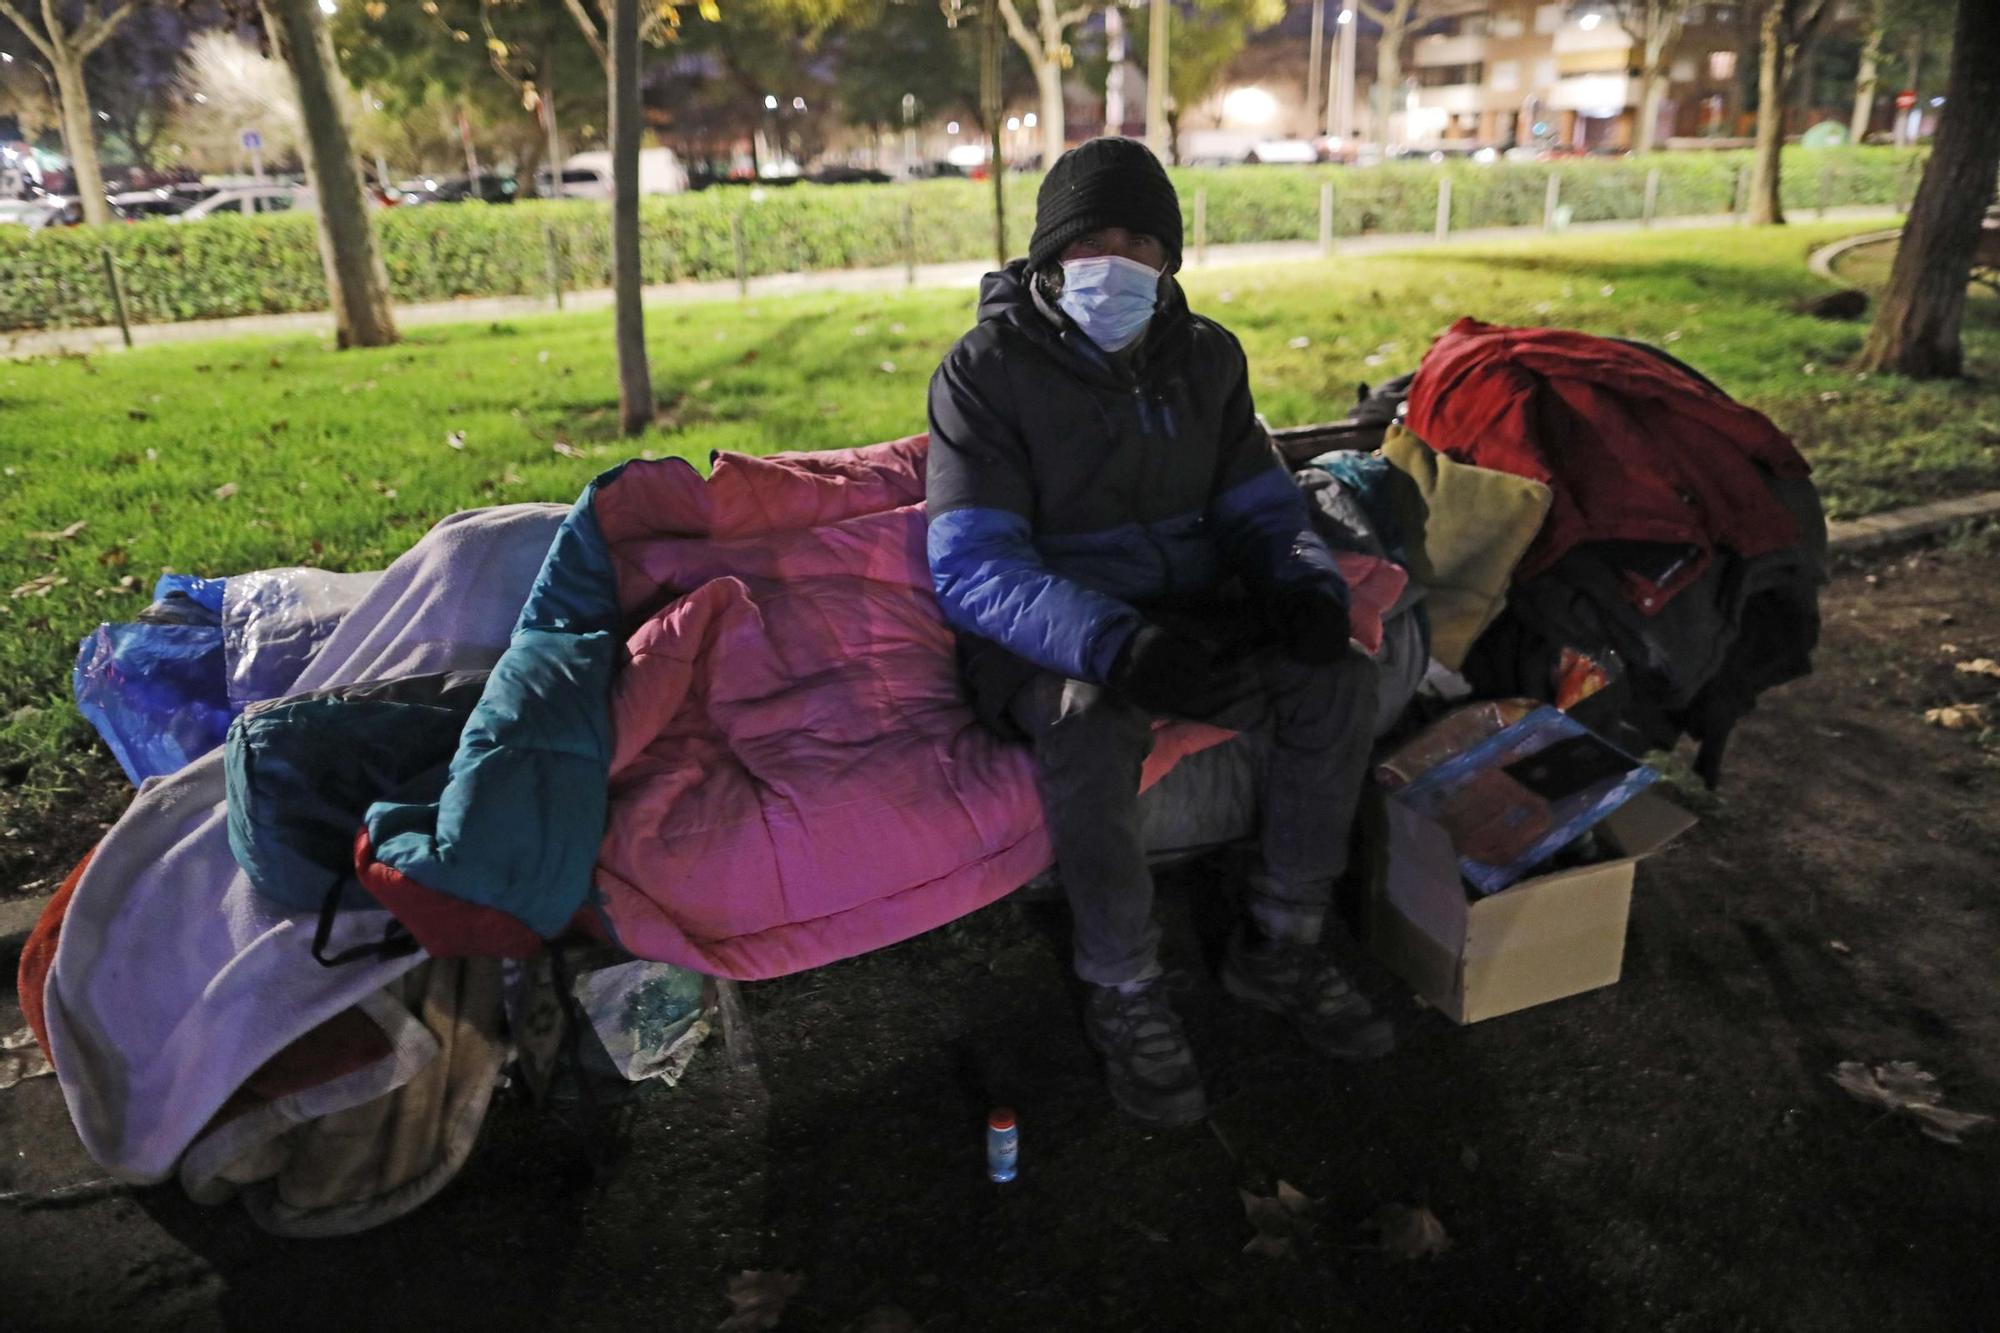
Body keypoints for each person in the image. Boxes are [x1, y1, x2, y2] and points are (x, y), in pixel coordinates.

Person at [925, 138, 1392, 1127]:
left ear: (1170, 258)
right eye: (1092, 237)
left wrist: (1306, 587)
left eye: (1142, 239)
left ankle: (1282, 941)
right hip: (1052, 628)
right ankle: (1123, 988)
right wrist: (1116, 646)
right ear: (1047, 256)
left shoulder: (1207, 357)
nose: (1118, 260)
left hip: (1189, 606)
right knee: (1087, 724)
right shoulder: (983, 372)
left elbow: (1264, 507)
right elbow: (973, 564)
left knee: (1337, 674)